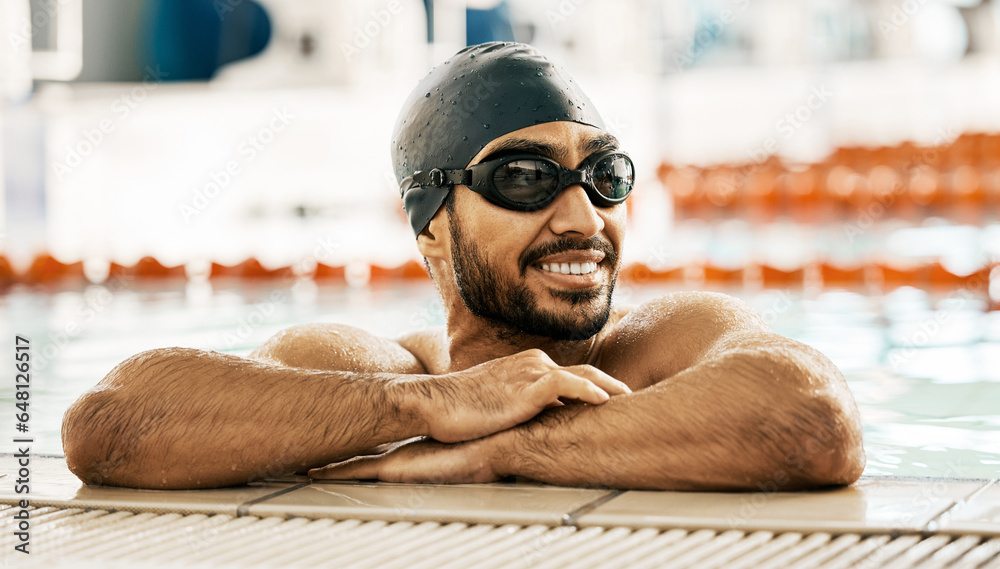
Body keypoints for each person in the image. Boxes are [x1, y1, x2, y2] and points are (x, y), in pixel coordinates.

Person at [62, 42, 865, 491]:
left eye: (605, 174)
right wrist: (441, 401)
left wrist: (505, 447)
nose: (585, 217)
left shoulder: (666, 344)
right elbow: (107, 423)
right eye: (525, 178)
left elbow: (817, 420)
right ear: (431, 228)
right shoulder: (379, 373)